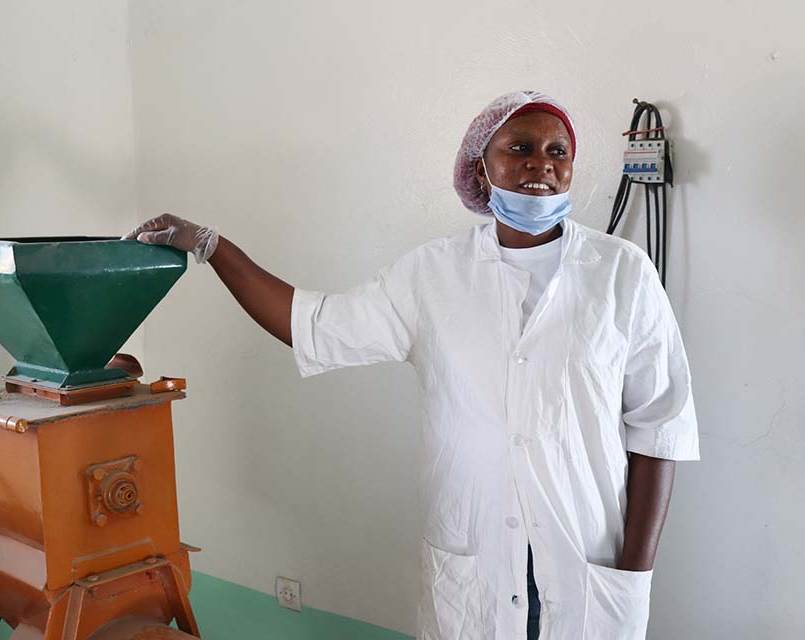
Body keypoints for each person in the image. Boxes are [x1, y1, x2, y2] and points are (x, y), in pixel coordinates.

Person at [123, 90, 700, 640]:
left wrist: (632, 577)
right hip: (474, 562)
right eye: (519, 147)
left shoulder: (622, 272)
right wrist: (213, 246)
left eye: (558, 152)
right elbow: (312, 324)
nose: (540, 165)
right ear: (482, 170)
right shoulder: (432, 275)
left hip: (587, 564)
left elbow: (659, 429)